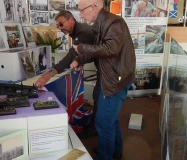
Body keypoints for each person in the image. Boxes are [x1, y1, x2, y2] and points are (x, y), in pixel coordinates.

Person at [72, 0, 136, 159]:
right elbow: (96, 51)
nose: (80, 15)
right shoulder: (101, 24)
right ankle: (115, 151)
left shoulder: (115, 22)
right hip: (109, 77)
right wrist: (79, 59)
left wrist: (81, 48)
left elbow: (110, 49)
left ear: (95, 6)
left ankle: (105, 156)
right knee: (110, 119)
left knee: (103, 123)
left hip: (115, 80)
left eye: (82, 10)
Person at [34, 10, 99, 136]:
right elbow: (83, 54)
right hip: (106, 70)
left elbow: (72, 56)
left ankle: (97, 133)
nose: (60, 28)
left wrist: (49, 74)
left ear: (71, 19)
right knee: (99, 99)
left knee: (104, 109)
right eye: (57, 26)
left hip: (110, 73)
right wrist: (78, 62)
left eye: (61, 24)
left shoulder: (83, 32)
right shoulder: (76, 32)